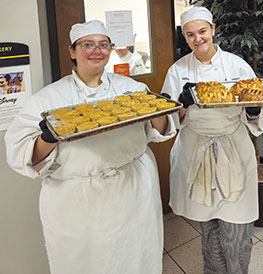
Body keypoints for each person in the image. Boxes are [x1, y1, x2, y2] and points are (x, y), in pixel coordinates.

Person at [5, 20, 175, 274]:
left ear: (111, 49)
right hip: (76, 204)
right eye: (87, 45)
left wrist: (157, 108)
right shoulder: (48, 99)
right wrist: (48, 138)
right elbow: (22, 155)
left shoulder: (133, 89)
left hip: (133, 191)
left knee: (137, 259)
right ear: (72, 52)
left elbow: (159, 131)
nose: (97, 51)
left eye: (103, 45)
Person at [161, 6, 263, 274]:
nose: (197, 39)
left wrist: (254, 110)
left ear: (212, 29)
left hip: (233, 149)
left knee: (238, 233)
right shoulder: (177, 71)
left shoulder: (237, 65)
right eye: (190, 35)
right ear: (184, 38)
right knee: (208, 229)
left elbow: (256, 102)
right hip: (195, 152)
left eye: (202, 32)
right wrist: (182, 105)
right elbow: (168, 120)